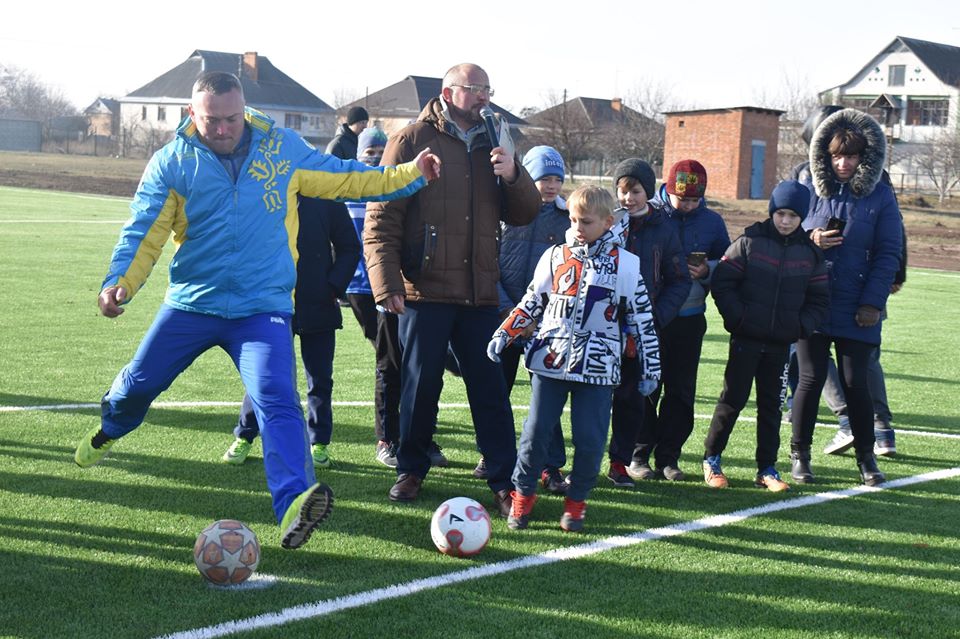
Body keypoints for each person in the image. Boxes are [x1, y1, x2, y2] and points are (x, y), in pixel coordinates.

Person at [74, 71, 440, 550]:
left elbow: (345, 176)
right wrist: (119, 283)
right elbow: (144, 231)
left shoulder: (281, 149)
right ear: (191, 114)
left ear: (243, 109)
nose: (224, 129)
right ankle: (112, 425)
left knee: (277, 398)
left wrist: (410, 173)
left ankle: (294, 503)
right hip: (192, 304)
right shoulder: (172, 163)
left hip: (262, 308)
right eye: (212, 120)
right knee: (138, 387)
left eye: (232, 118)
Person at [364, 63, 540, 515]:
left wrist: (513, 173)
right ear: (448, 92)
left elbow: (525, 213)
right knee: (420, 386)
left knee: (491, 391)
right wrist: (386, 283)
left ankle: (503, 480)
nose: (484, 97)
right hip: (424, 290)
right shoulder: (410, 139)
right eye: (475, 88)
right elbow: (382, 216)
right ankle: (411, 469)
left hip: (480, 292)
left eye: (488, 89)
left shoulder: (498, 138)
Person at [486, 185, 660, 532]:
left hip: (598, 368)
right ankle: (523, 496)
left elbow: (642, 320)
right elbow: (532, 301)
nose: (578, 227)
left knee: (590, 440)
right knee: (535, 434)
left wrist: (650, 367)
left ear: (608, 222)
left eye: (587, 221)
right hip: (549, 360)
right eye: (574, 220)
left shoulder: (627, 265)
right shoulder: (554, 256)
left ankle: (576, 501)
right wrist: (504, 333)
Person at [790, 107, 903, 486]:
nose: (843, 164)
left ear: (864, 157)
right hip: (813, 304)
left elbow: (889, 253)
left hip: (858, 308)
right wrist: (812, 239)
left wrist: (872, 303)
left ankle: (867, 459)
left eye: (851, 156)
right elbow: (783, 234)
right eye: (837, 156)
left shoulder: (881, 196)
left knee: (857, 386)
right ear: (824, 155)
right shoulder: (806, 191)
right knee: (809, 381)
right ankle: (800, 456)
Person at [702, 180, 829, 491]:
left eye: (793, 216)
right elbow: (723, 282)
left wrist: (798, 328)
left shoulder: (810, 254)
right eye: (780, 213)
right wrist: (739, 319)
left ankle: (767, 469)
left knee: (771, 406)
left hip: (780, 345)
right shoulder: (750, 241)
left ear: (802, 217)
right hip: (745, 340)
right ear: (772, 211)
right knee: (732, 400)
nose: (785, 221)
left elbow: (819, 299)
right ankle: (712, 459)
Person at [222, 196, 359, 468]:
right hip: (273, 303)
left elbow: (350, 247)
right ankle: (245, 435)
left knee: (319, 378)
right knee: (264, 374)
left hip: (319, 303)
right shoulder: (269, 193)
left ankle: (318, 442)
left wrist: (332, 286)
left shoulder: (326, 196)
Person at [344, 127, 448, 468]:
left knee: (421, 365)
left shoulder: (404, 182)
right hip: (366, 289)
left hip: (405, 285)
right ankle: (388, 437)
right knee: (390, 363)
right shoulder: (349, 188)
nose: (376, 157)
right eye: (369, 152)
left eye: (381, 151)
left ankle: (421, 436)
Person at [630, 160, 730, 481]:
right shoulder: (650, 215)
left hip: (689, 317)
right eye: (681, 199)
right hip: (651, 317)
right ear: (667, 190)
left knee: (681, 391)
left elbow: (727, 263)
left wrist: (708, 270)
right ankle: (638, 454)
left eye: (694, 200)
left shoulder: (712, 222)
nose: (687, 205)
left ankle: (669, 457)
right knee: (646, 386)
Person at [492, 145, 573, 495]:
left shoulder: (568, 220)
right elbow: (488, 264)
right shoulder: (502, 211)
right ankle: (492, 456)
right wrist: (509, 312)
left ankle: (551, 466)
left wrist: (539, 317)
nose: (551, 186)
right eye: (544, 178)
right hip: (503, 318)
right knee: (496, 393)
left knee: (547, 399)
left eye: (557, 179)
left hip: (546, 325)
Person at [606, 158, 690, 486]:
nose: (628, 198)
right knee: (596, 398)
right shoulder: (607, 223)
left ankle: (624, 460)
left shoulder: (663, 229)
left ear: (649, 192)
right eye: (623, 191)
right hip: (603, 327)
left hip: (639, 331)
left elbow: (679, 280)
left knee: (631, 397)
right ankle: (584, 463)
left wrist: (653, 316)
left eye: (636, 191)